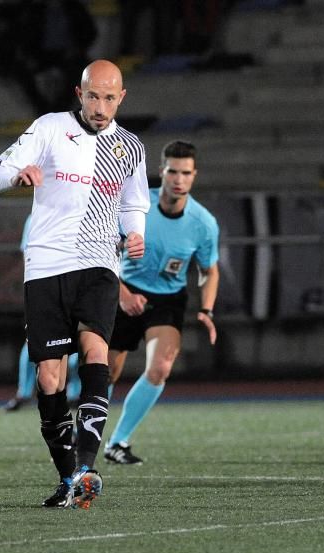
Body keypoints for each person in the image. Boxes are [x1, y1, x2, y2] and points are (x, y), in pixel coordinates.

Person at [0, 59, 149, 508]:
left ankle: (88, 468)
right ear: (79, 93)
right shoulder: (50, 128)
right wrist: (16, 175)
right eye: (93, 96)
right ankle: (68, 475)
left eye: (109, 97)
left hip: (98, 262)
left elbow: (135, 204)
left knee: (96, 352)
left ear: (122, 97)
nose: (101, 105)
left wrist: (135, 235)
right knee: (50, 376)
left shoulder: (130, 146)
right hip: (47, 265)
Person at [102, 140, 220, 465]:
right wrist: (123, 294)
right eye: (173, 171)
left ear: (194, 176)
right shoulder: (135, 206)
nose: (178, 179)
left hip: (168, 300)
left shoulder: (203, 223)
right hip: (123, 290)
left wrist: (207, 309)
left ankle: (118, 442)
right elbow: (103, 254)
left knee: (161, 368)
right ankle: (88, 434)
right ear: (161, 172)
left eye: (186, 173)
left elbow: (209, 271)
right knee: (105, 372)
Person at [3, 215, 80, 412]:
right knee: (34, 341)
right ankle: (25, 392)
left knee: (83, 341)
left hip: (78, 287)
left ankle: (75, 393)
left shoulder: (81, 210)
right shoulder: (36, 217)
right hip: (47, 287)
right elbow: (27, 255)